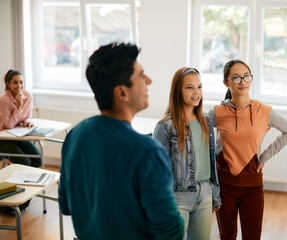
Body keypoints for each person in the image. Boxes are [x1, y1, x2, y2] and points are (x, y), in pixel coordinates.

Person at [58, 42, 184, 240]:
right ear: (122, 92)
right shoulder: (147, 152)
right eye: (141, 76)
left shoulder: (74, 136)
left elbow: (66, 207)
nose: (149, 81)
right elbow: (170, 232)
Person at [208, 59, 287, 240]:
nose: (243, 82)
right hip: (224, 185)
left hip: (253, 185)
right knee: (227, 236)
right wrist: (215, 156)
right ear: (226, 82)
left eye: (246, 77)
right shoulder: (218, 112)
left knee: (252, 237)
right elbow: (196, 126)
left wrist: (264, 157)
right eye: (237, 78)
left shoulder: (264, 111)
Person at [153, 67, 221, 240]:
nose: (196, 92)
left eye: (199, 87)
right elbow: (157, 170)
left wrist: (215, 194)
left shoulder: (206, 121)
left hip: (205, 194)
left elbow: (210, 160)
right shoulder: (166, 126)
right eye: (189, 87)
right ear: (178, 90)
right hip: (177, 198)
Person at [0, 70, 41, 167]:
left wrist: (28, 123)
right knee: (25, 162)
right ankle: (21, 179)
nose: (19, 86)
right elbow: (8, 125)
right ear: (8, 84)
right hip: (3, 138)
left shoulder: (28, 96)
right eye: (15, 82)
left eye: (21, 82)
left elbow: (26, 117)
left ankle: (29, 179)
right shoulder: (3, 100)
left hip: (18, 136)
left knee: (37, 159)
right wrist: (18, 106)